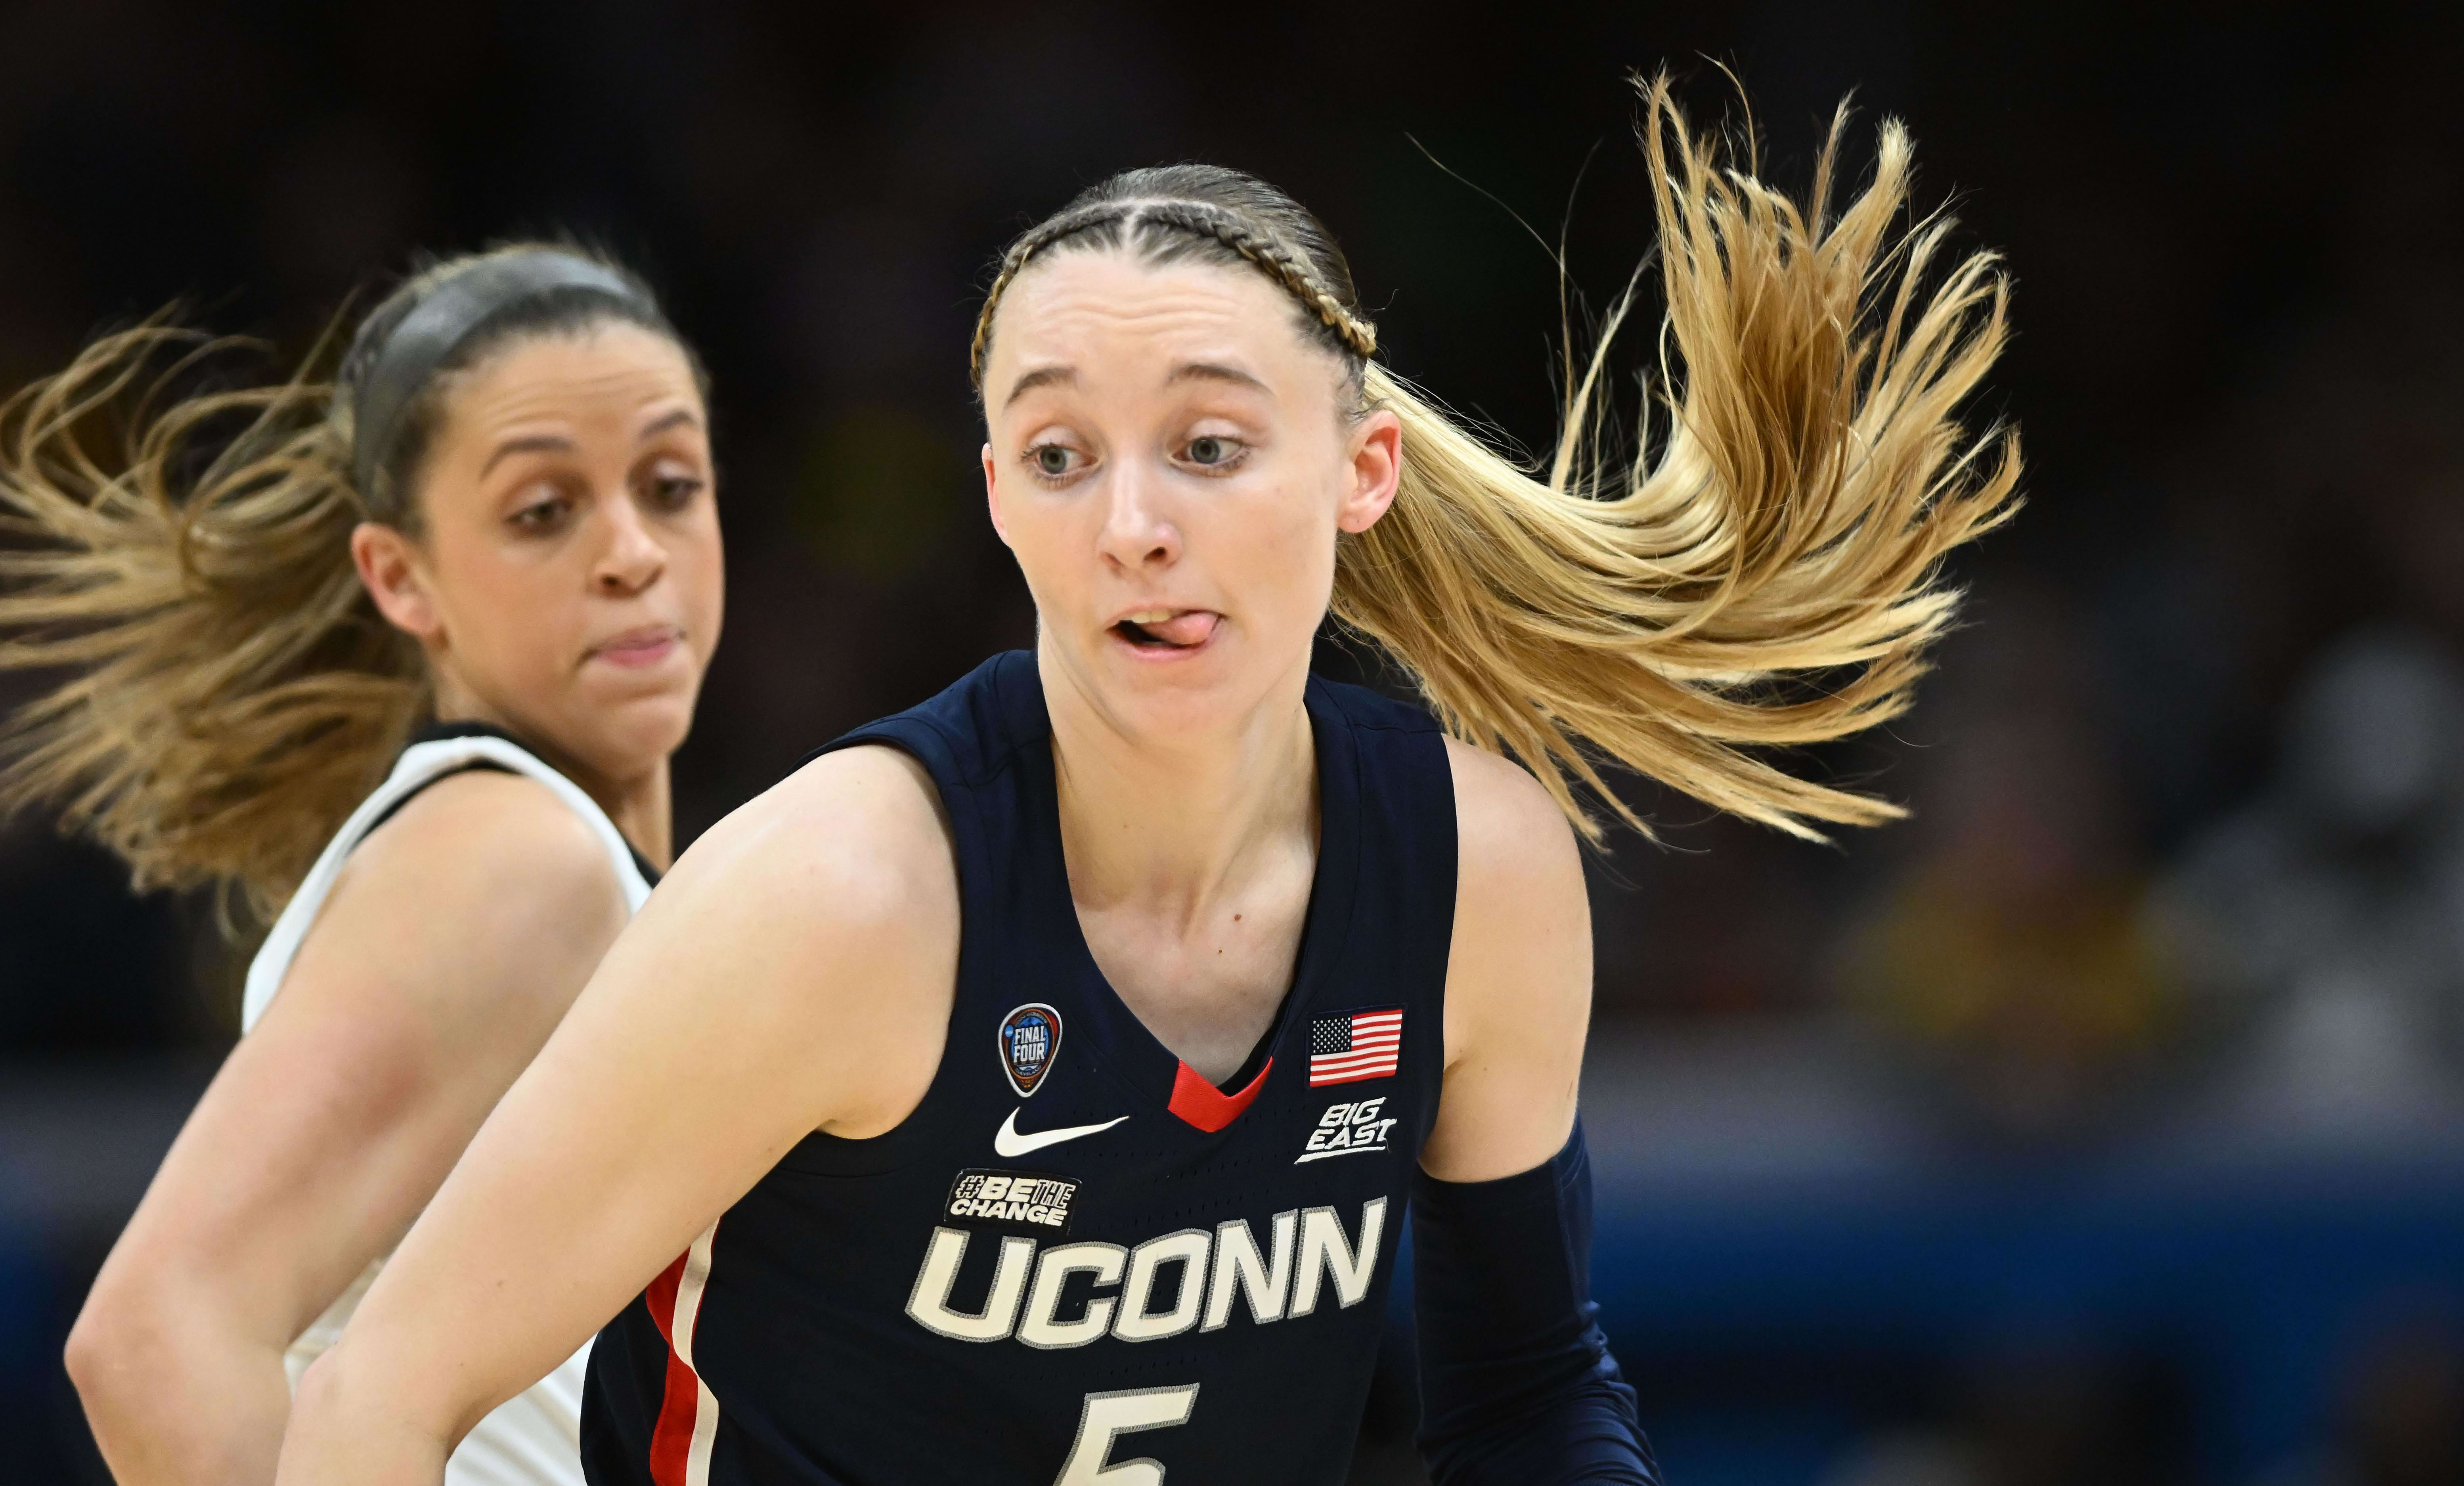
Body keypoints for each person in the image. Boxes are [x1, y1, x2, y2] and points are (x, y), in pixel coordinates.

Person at [278, 77, 2018, 1486]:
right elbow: (373, 1402)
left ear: (1361, 469)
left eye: (1206, 445)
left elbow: (1528, 1403)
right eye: (1059, 455)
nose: (1131, 527)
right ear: (993, 497)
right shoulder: (842, 898)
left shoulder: (1474, 874)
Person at [0, 244, 723, 1486]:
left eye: (671, 484)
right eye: (543, 510)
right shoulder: (513, 858)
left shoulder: (555, 860)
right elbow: (154, 1336)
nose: (632, 550)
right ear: (401, 577)